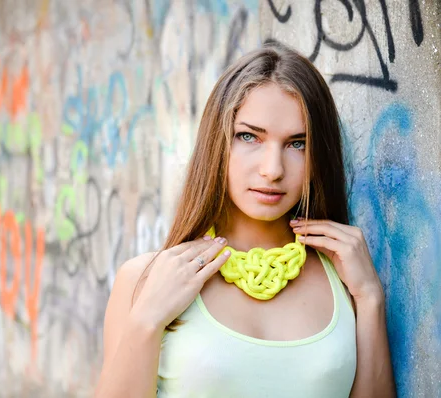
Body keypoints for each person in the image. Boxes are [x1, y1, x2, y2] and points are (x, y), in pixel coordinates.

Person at [94, 42, 395, 397]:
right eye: (249, 136)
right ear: (216, 144)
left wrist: (370, 297)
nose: (272, 170)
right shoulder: (143, 279)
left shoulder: (346, 279)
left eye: (297, 143)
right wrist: (146, 320)